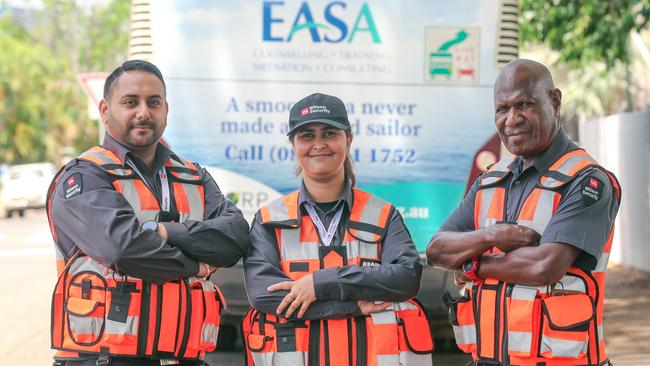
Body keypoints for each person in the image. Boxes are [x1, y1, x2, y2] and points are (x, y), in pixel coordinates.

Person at [47, 60, 250, 366]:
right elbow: (121, 249)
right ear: (105, 110)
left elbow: (234, 239)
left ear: (165, 110)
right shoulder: (85, 177)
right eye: (130, 102)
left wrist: (165, 233)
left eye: (153, 102)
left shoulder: (194, 177)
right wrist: (197, 266)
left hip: (184, 358)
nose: (143, 111)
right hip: (103, 359)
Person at [427, 59, 621, 366]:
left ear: (554, 102)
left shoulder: (587, 181)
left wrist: (470, 266)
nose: (512, 119)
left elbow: (545, 265)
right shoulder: (490, 179)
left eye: (525, 105)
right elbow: (437, 250)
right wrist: (493, 235)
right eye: (502, 109)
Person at [242, 93, 434, 365]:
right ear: (293, 144)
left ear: (349, 139)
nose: (318, 144)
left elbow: (406, 277)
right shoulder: (269, 219)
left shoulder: (383, 214)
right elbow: (264, 295)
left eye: (329, 133)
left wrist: (323, 283)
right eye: (307, 135)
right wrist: (351, 305)